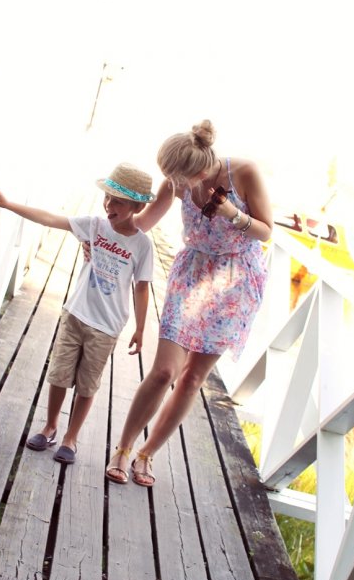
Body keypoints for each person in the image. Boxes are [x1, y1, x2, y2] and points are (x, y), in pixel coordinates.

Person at [104, 119, 272, 486]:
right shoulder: (175, 181)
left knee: (193, 377)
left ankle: (147, 454)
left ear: (201, 165)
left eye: (182, 178)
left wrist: (232, 214)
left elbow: (266, 231)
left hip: (234, 283)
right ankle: (123, 447)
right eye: (172, 178)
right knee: (165, 371)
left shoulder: (244, 173)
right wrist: (102, 231)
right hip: (192, 275)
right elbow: (142, 223)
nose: (177, 184)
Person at [0, 162, 155, 465]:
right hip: (76, 313)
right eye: (107, 197)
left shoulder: (142, 245)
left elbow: (142, 287)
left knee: (87, 384)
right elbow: (51, 219)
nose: (109, 205)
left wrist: (141, 328)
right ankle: (50, 427)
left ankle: (71, 437)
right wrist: (8, 204)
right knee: (59, 374)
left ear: (136, 207)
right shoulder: (94, 225)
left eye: (118, 201)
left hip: (106, 325)